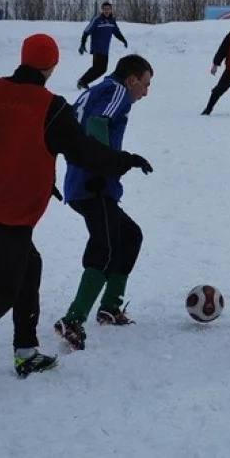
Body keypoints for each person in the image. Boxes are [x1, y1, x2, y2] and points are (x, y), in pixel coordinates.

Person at [0, 34, 153, 394]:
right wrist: (125, 161)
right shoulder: (50, 106)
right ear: (51, 66)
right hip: (16, 209)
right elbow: (85, 152)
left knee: (30, 267)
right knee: (0, 289)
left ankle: (26, 352)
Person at [53, 54, 154, 351]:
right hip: (92, 184)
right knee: (106, 248)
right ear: (132, 79)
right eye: (145, 84)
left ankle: (110, 306)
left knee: (129, 235)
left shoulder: (94, 91)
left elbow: (71, 129)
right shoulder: (117, 90)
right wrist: (103, 168)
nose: (146, 92)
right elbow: (98, 123)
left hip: (85, 181)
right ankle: (73, 319)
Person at [77, 2, 129, 90]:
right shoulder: (97, 19)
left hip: (105, 49)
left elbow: (116, 32)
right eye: (105, 9)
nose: (106, 11)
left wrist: (123, 40)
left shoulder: (112, 21)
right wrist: (82, 44)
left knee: (101, 69)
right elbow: (86, 31)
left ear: (111, 10)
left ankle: (83, 81)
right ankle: (83, 81)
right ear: (102, 10)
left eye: (108, 9)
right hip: (97, 49)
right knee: (98, 68)